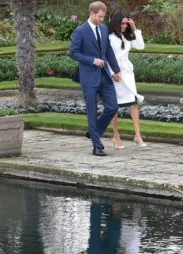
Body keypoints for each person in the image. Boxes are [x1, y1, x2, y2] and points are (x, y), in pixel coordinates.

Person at [68, 1, 122, 156]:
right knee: (92, 111)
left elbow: (108, 51)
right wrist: (92, 60)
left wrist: (116, 70)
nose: (101, 20)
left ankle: (94, 131)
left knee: (112, 107)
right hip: (89, 77)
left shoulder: (103, 29)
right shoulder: (80, 31)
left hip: (105, 75)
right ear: (92, 13)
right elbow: (73, 53)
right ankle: (96, 146)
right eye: (99, 17)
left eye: (103, 17)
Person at [107, 12, 147, 149]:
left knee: (133, 103)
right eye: (122, 23)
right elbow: (106, 56)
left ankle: (138, 135)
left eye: (126, 23)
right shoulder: (109, 38)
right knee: (114, 106)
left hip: (127, 73)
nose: (124, 26)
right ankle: (116, 136)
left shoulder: (128, 36)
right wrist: (113, 73)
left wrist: (134, 28)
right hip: (115, 73)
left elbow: (141, 46)